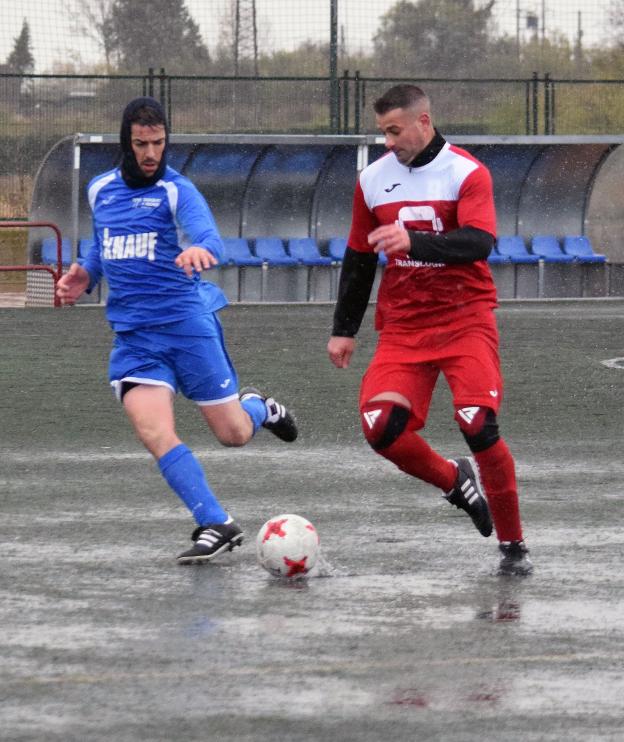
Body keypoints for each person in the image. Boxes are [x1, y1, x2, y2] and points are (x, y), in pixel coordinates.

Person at [56, 96, 297, 564]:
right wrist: (87, 273)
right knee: (154, 432)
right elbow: (101, 244)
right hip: (135, 338)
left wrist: (199, 251)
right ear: (126, 142)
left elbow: (208, 237)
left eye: (159, 143)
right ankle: (216, 522)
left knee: (232, 434)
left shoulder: (175, 189)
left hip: (187, 328)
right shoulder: (99, 188)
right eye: (142, 144)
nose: (151, 154)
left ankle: (256, 407)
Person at [327, 84, 532, 576]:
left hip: (465, 319)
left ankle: (513, 545)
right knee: (381, 428)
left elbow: (478, 242)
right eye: (382, 133)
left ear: (424, 121)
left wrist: (413, 241)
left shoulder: (467, 172)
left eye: (395, 131)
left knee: (476, 424)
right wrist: (344, 329)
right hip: (404, 326)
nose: (388, 142)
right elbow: (358, 258)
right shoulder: (372, 180)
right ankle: (453, 481)